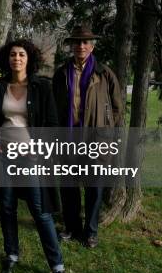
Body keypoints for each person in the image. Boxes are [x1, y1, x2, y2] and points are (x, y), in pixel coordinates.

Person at [0, 39, 71, 273]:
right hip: (4, 155)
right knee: (7, 207)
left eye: (22, 55)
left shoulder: (41, 87)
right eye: (13, 54)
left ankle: (57, 268)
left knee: (40, 211)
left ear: (29, 59)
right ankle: (11, 255)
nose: (17, 58)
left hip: (31, 156)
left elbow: (51, 123)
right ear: (8, 58)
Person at [52, 26, 123, 248]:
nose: (81, 46)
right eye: (77, 42)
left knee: (94, 187)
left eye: (85, 42)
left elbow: (118, 108)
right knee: (69, 186)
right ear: (72, 46)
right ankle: (72, 227)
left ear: (92, 46)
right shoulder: (62, 73)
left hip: (97, 139)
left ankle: (91, 232)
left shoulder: (104, 73)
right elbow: (54, 107)